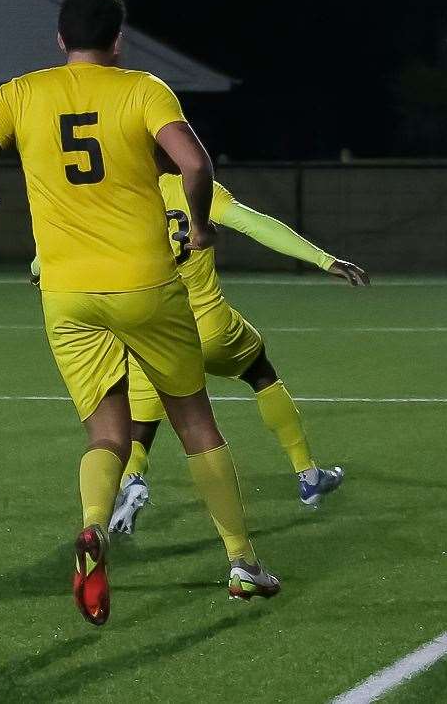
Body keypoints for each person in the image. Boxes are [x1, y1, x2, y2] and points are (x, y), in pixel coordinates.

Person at [0, 0, 278, 625]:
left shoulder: (20, 93)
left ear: (60, 39)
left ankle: (94, 525)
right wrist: (201, 226)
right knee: (195, 423)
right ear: (118, 40)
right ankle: (241, 561)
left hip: (66, 294)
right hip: (145, 285)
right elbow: (195, 165)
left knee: (107, 432)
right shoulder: (143, 89)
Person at [27, 175, 368, 537]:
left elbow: (61, 249)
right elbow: (254, 223)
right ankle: (308, 475)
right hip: (211, 327)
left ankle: (133, 483)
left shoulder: (118, 190)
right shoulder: (193, 188)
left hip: (155, 329)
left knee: (142, 418)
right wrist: (323, 259)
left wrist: (37, 268)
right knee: (260, 373)